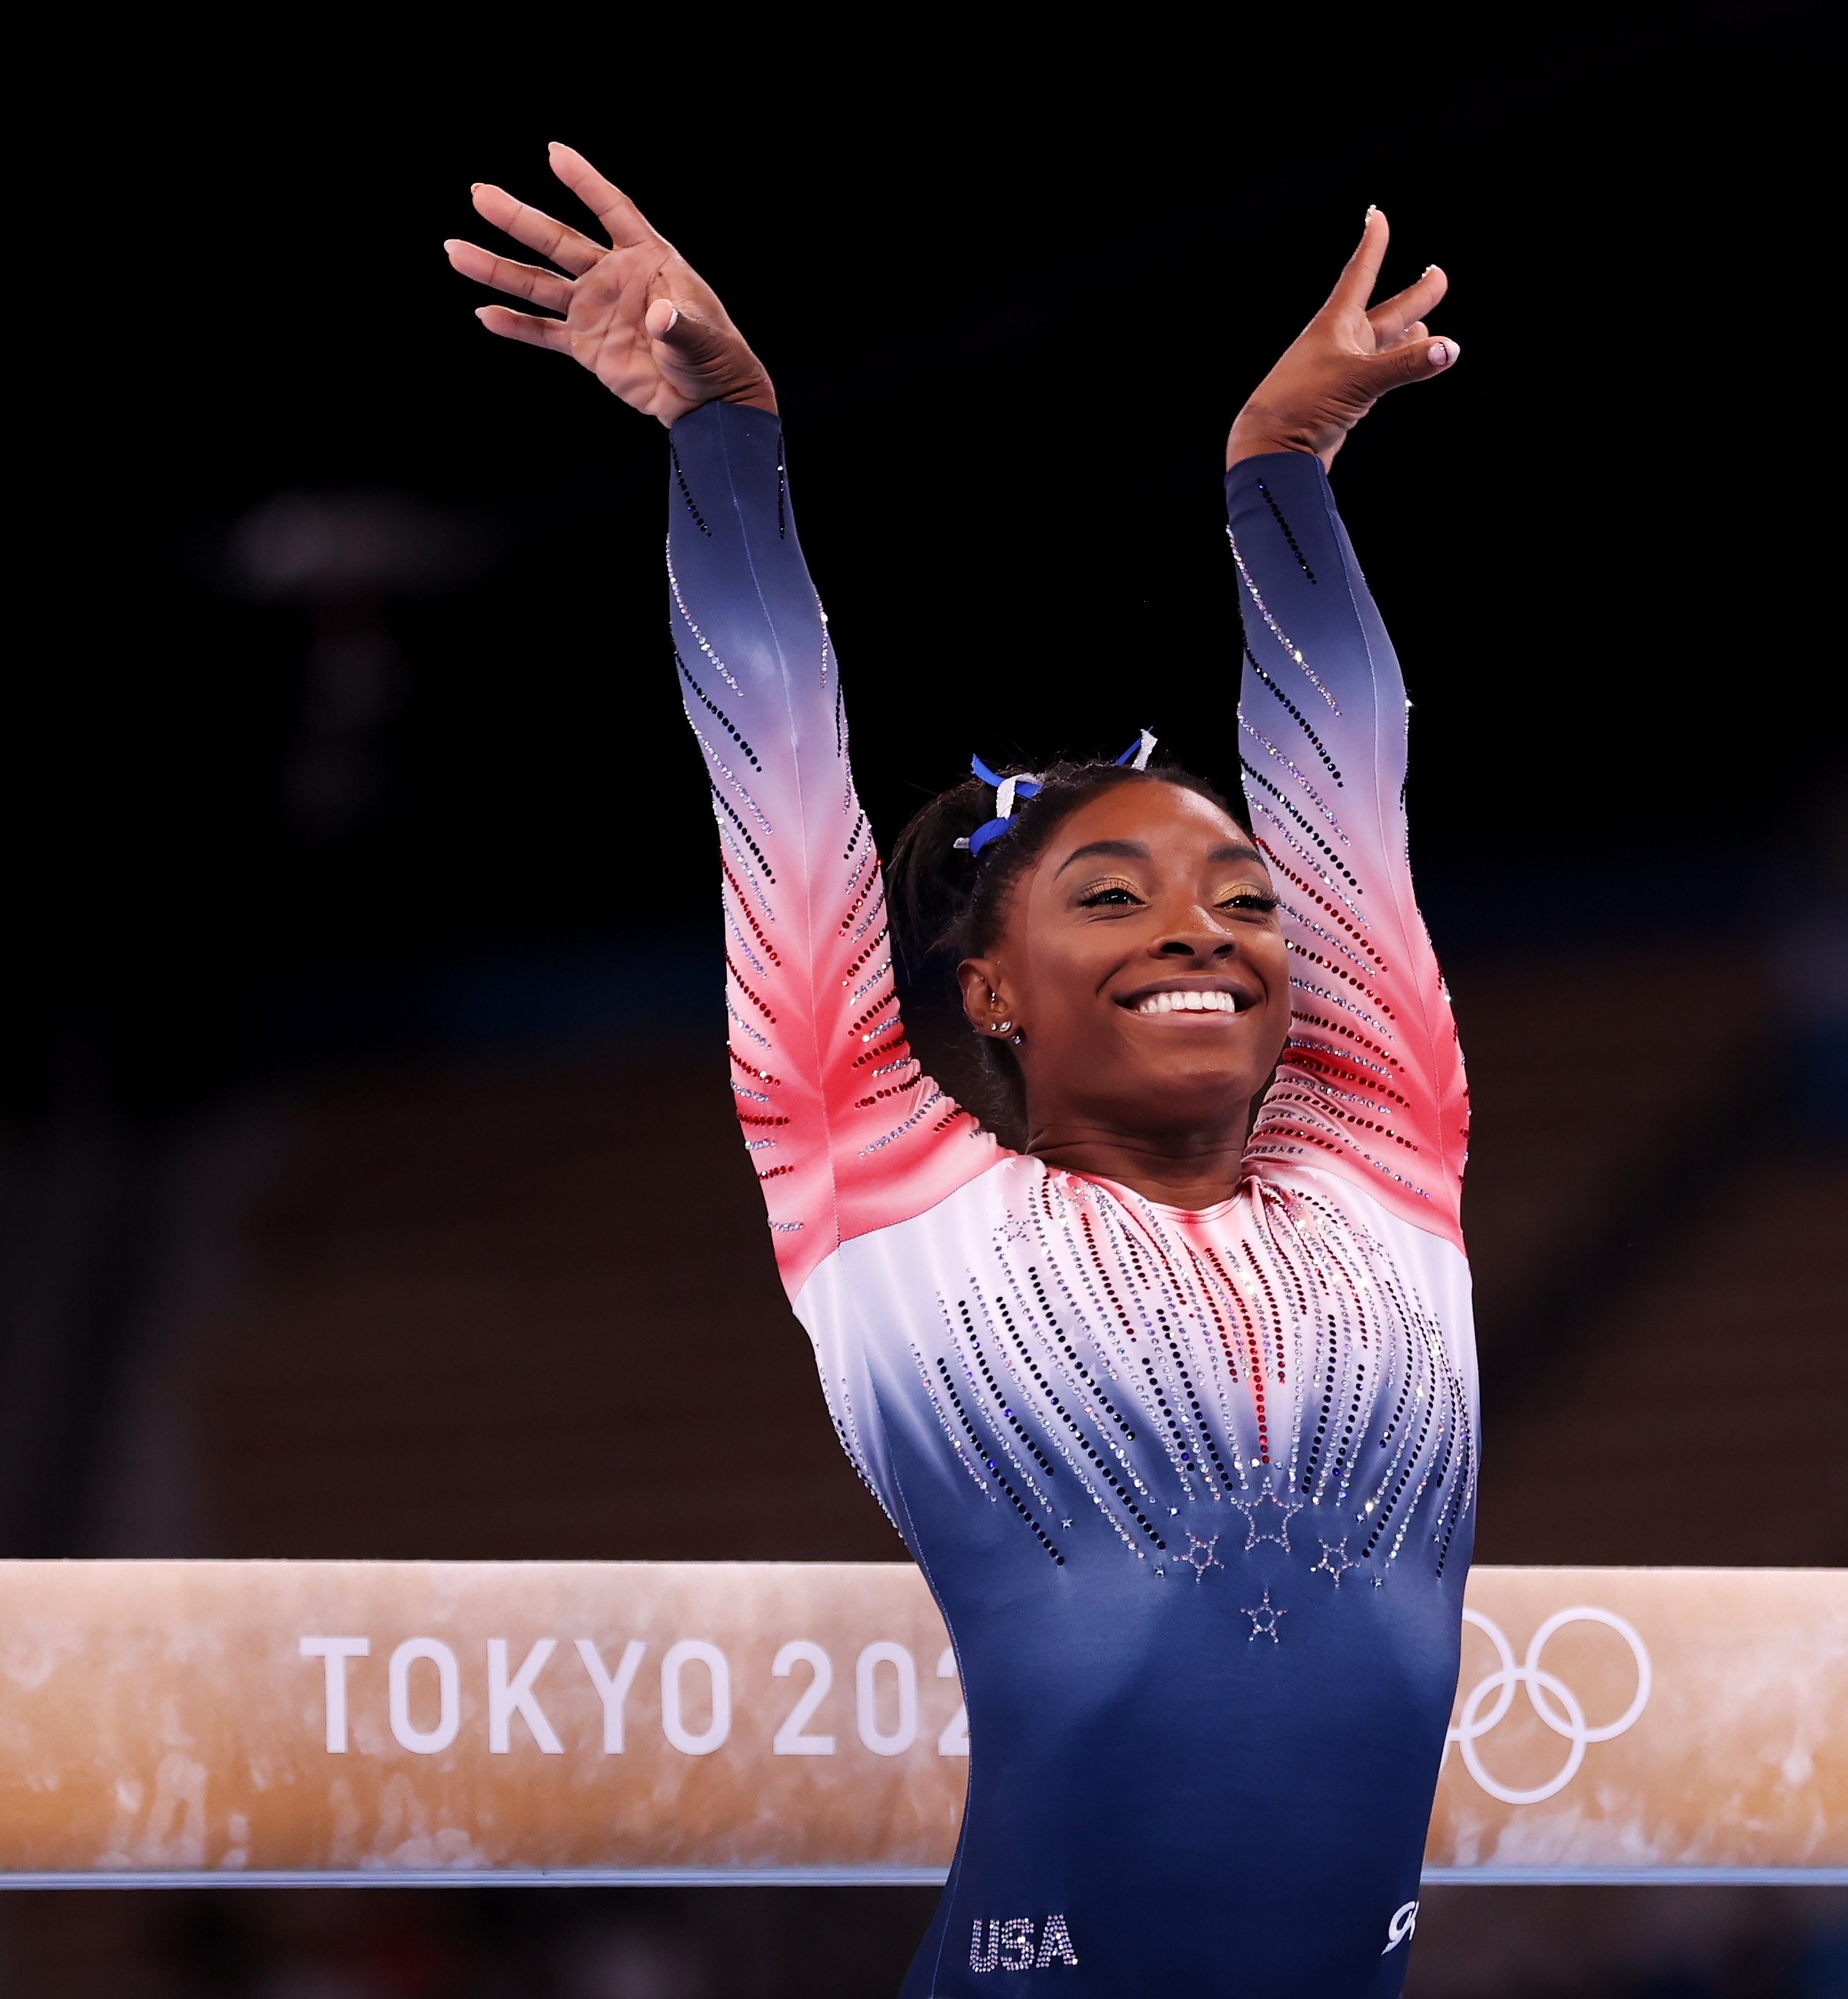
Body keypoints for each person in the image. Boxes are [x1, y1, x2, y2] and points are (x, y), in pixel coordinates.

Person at [448, 144, 1472, 1995]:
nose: (1203, 925)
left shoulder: (1381, 1152)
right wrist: (724, 434)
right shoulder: (885, 1184)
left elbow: (1352, 771)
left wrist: (1280, 476)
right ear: (987, 992)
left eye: (1240, 894)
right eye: (1112, 893)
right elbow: (768, 748)